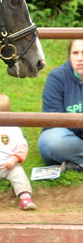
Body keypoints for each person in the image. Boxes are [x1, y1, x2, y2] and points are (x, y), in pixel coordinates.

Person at [38, 39, 83, 172]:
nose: (80, 58)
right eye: (75, 53)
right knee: (50, 141)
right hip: (67, 138)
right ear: (69, 55)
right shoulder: (56, 77)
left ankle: (77, 163)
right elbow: (53, 120)